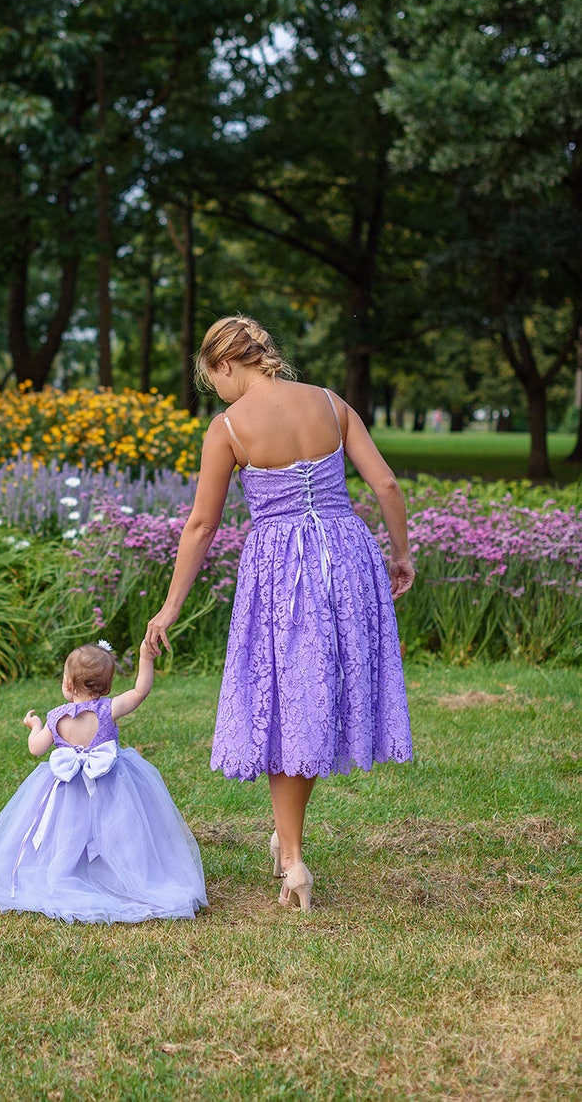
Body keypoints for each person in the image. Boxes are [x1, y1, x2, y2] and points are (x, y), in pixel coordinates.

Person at [144, 315, 414, 913]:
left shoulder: (229, 427)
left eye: (212, 377)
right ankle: (286, 841)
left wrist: (168, 608)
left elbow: (202, 525)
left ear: (226, 364)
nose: (216, 389)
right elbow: (387, 485)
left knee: (291, 707)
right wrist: (399, 554)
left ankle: (292, 860)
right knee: (312, 704)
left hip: (283, 574)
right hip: (346, 559)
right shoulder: (330, 403)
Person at [0, 641, 207, 923]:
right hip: (113, 788)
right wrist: (145, 657)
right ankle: (123, 874)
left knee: (67, 834)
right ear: (106, 687)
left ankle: (67, 872)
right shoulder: (109, 709)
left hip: (68, 792)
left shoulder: (55, 717)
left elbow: (36, 749)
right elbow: (140, 691)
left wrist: (35, 727)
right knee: (120, 832)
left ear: (68, 684)